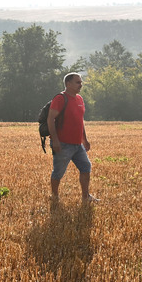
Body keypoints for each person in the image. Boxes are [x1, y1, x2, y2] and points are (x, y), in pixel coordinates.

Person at [47, 72, 96, 204]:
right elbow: (50, 119)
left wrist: (84, 139)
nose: (81, 84)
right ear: (68, 84)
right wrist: (55, 141)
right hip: (63, 144)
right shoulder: (60, 99)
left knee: (86, 167)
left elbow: (80, 121)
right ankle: (54, 196)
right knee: (58, 172)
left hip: (77, 144)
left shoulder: (80, 99)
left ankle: (86, 197)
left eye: (81, 82)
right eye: (78, 82)